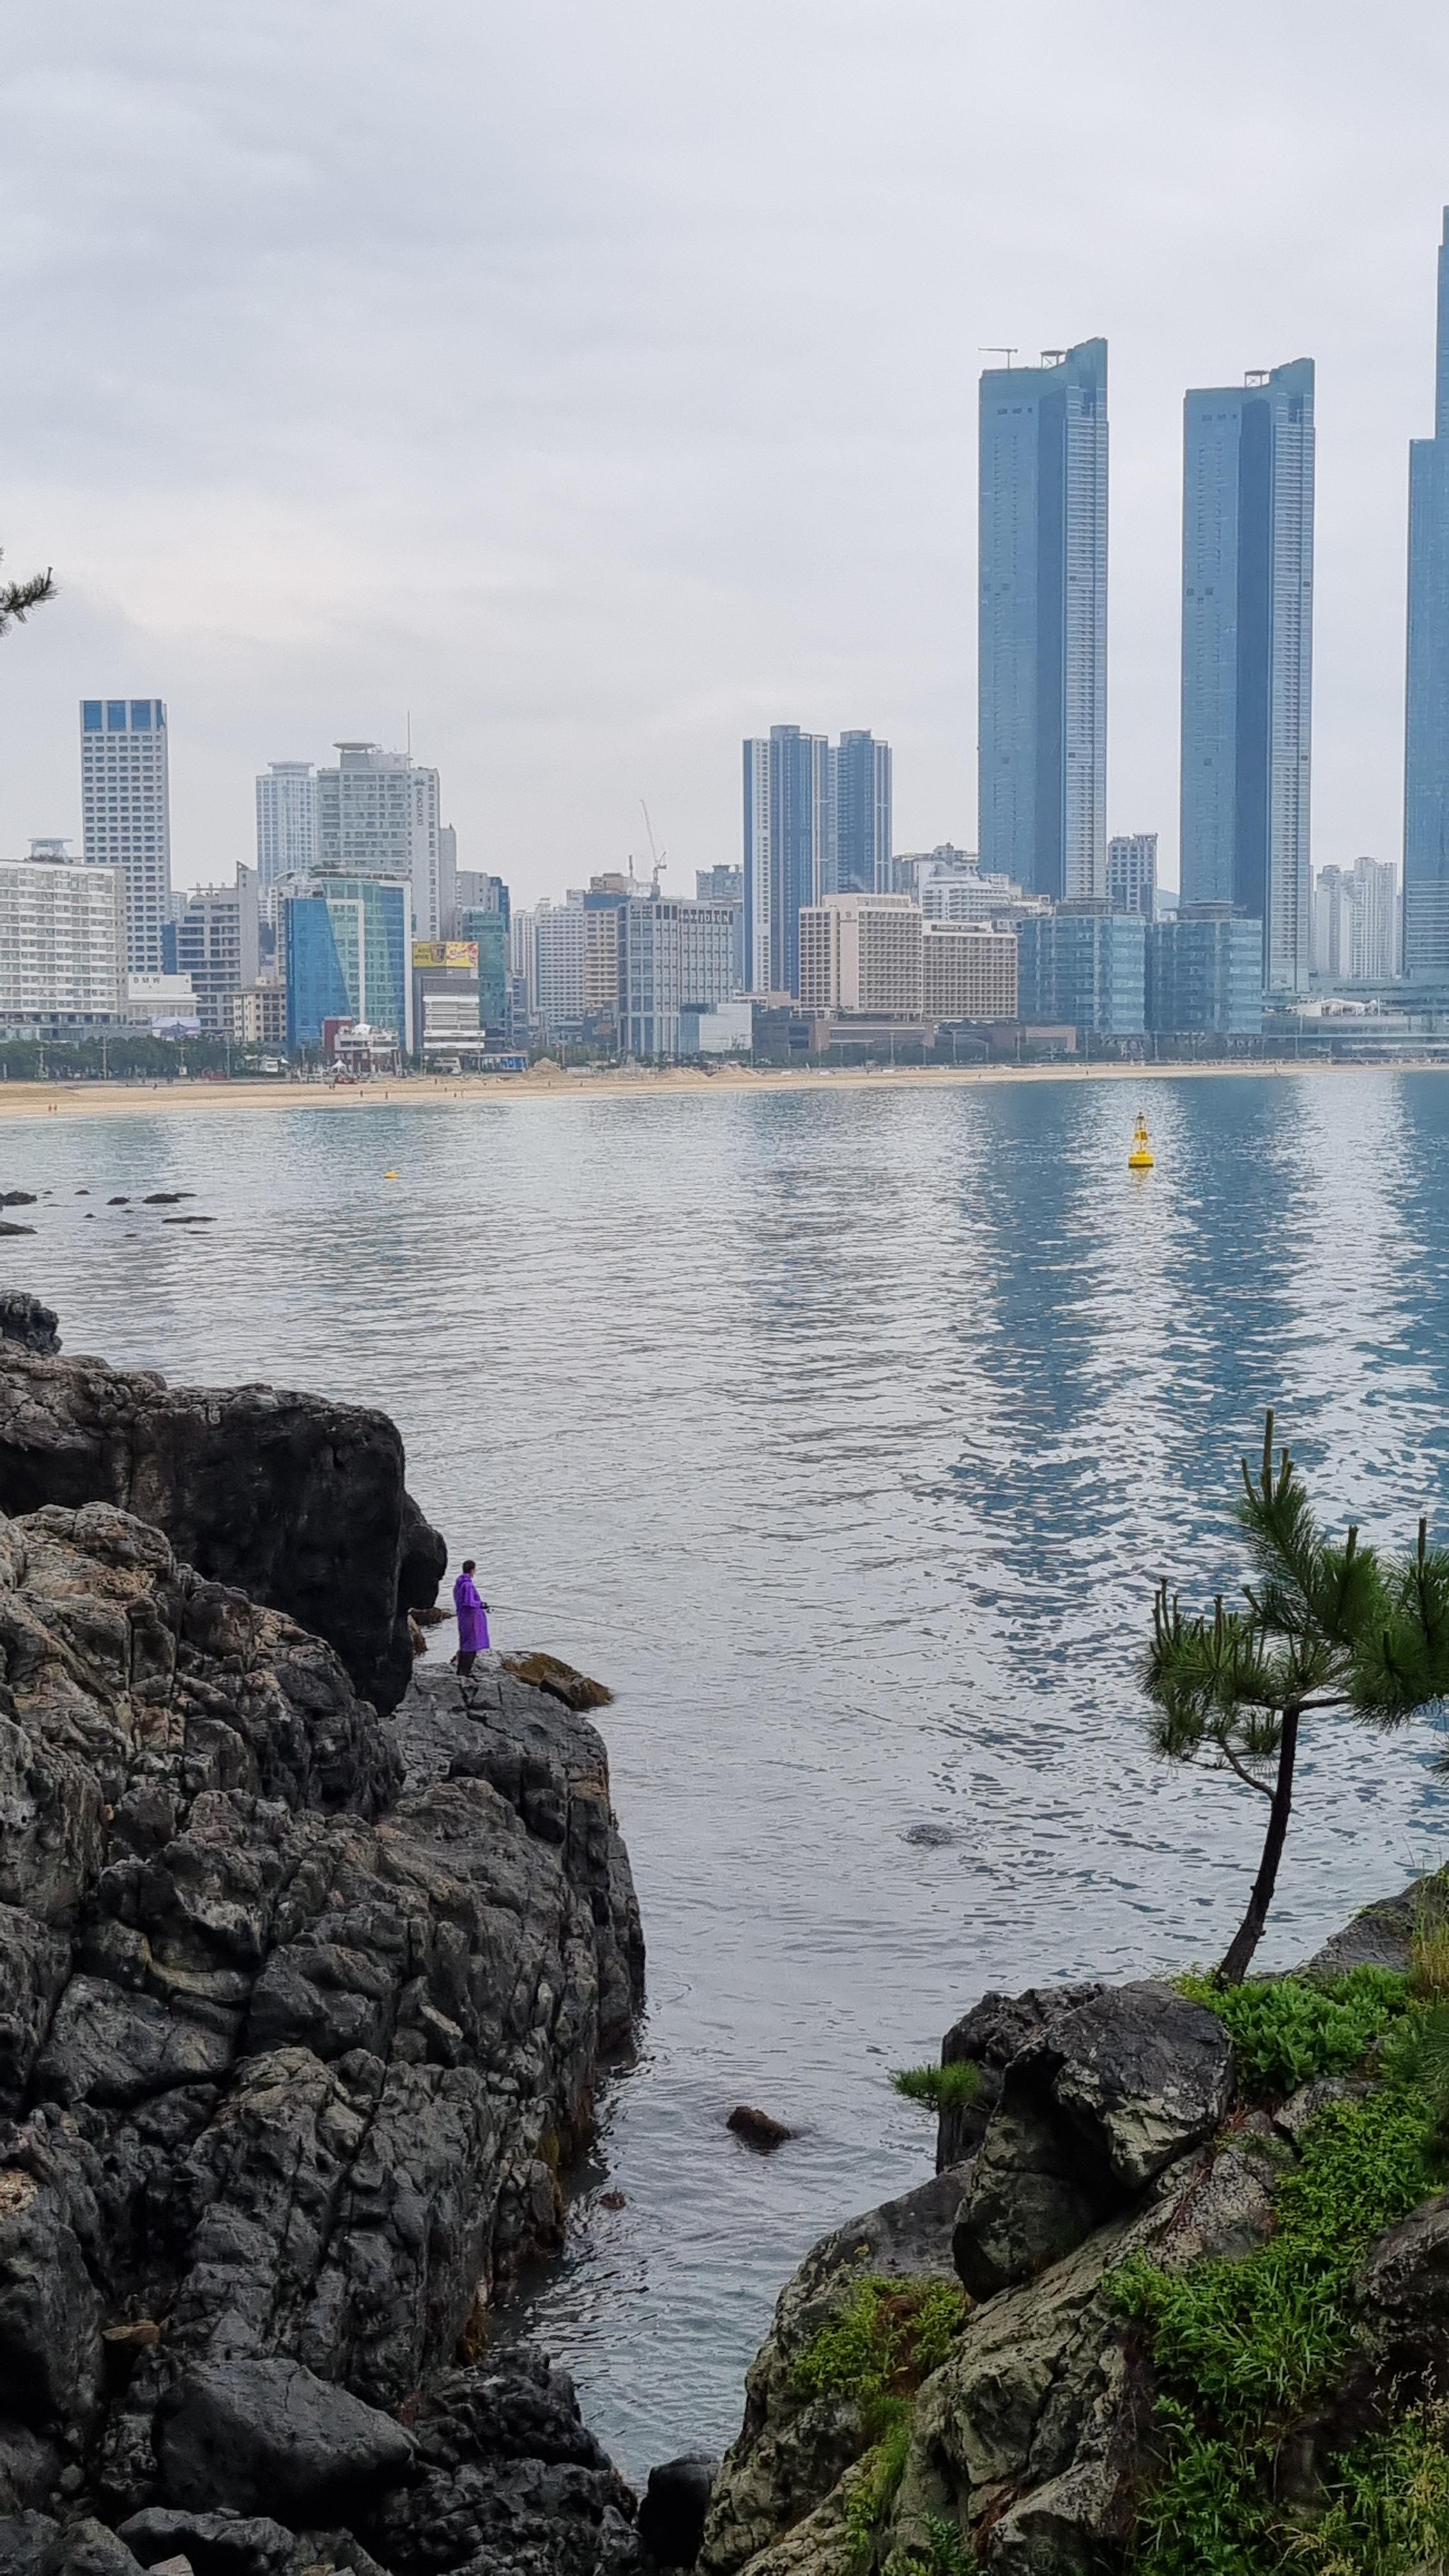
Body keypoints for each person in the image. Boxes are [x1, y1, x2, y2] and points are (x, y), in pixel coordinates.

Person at [452, 1559, 490, 1689]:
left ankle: (461, 1670)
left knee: (464, 1643)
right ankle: (466, 1672)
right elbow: (469, 1602)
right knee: (472, 1644)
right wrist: (481, 1604)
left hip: (463, 1617)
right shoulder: (468, 1585)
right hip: (470, 1619)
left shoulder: (459, 1583)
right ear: (472, 1570)